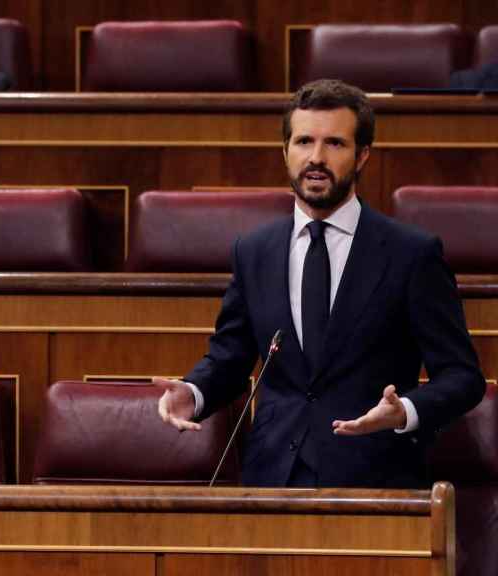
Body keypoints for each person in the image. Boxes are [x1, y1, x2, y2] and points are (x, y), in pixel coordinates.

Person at [156, 79, 485, 488]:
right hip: (271, 479)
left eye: (334, 143)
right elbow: (230, 356)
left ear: (362, 155)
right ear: (285, 151)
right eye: (304, 141)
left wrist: (406, 411)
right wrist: (195, 392)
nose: (316, 157)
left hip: (375, 482)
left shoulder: (411, 254)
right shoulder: (254, 251)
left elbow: (462, 377)